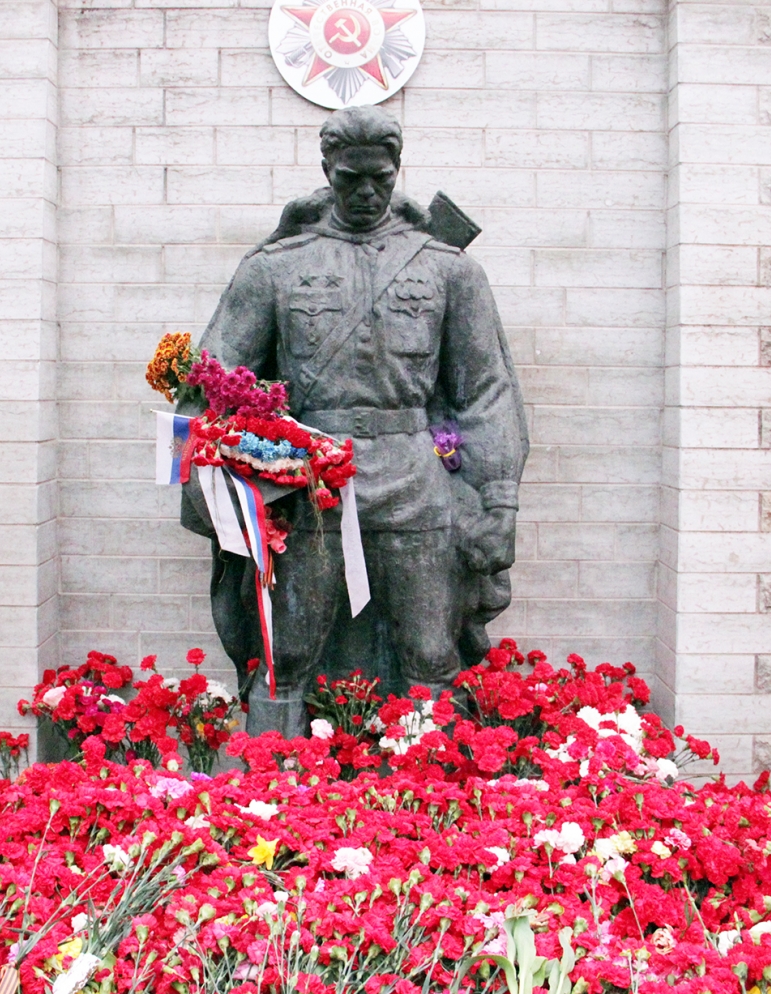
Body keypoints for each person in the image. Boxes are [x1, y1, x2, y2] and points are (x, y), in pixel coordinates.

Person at [190, 106, 529, 736]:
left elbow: (486, 392)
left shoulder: (448, 269)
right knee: (285, 655)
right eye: (351, 179)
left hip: (413, 475)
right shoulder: (275, 267)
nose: (368, 192)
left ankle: (429, 805)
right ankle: (272, 795)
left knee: (431, 654)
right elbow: (212, 380)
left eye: (381, 177)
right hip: (309, 480)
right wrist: (223, 479)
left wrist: (498, 503)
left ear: (397, 170)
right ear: (327, 171)